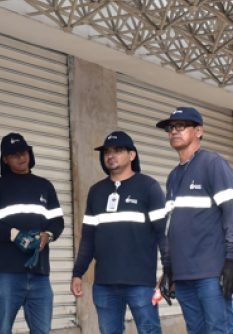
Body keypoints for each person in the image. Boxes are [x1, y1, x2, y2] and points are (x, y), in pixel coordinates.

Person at [71, 131, 168, 334]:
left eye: (118, 150)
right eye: (107, 152)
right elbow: (88, 237)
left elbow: (163, 234)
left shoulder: (149, 187)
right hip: (104, 284)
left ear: (132, 155)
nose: (110, 155)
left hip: (141, 283)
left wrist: (169, 270)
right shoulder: (96, 191)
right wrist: (77, 273)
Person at [156, 107, 233, 334]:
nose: (174, 131)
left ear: (199, 131)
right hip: (183, 275)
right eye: (171, 128)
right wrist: (168, 268)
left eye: (181, 126)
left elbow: (232, 213)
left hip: (211, 273)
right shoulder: (173, 176)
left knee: (218, 330)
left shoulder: (213, 163)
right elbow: (170, 227)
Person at [0, 133, 65, 334]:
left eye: (24, 152)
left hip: (40, 275)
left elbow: (58, 222)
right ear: (5, 159)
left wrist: (48, 235)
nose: (21, 157)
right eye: (14, 154)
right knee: (1, 330)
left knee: (42, 331)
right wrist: (14, 235)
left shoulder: (45, 186)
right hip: (7, 274)